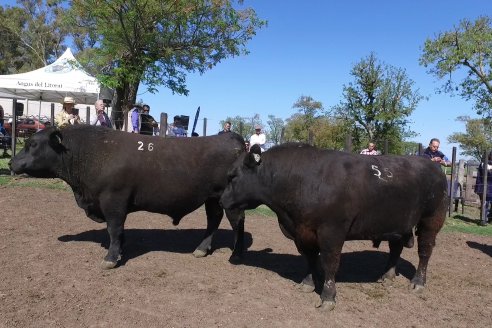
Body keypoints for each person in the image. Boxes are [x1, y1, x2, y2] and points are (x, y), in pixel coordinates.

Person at [474, 151, 492, 222]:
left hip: (486, 187)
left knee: (487, 204)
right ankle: (483, 219)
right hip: (485, 187)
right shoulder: (484, 164)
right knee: (485, 203)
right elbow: (480, 177)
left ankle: (489, 218)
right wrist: (478, 188)